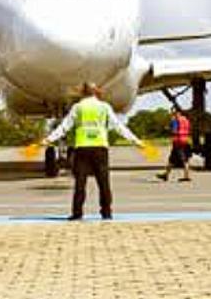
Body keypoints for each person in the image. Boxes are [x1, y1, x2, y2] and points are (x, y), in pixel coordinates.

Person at [43, 84, 145, 220]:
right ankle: (106, 212)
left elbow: (64, 127)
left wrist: (48, 139)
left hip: (82, 148)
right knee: (104, 183)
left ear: (82, 93)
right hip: (100, 148)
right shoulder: (104, 107)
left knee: (80, 183)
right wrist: (135, 141)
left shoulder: (78, 107)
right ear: (96, 92)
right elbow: (118, 126)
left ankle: (77, 213)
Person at [157, 110, 192, 182]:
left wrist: (168, 127)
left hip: (178, 142)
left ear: (178, 114)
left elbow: (174, 131)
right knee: (172, 159)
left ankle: (186, 176)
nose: (174, 115)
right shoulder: (186, 120)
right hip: (185, 141)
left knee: (183, 160)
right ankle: (166, 175)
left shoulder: (176, 121)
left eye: (175, 114)